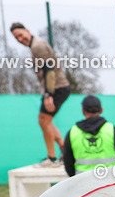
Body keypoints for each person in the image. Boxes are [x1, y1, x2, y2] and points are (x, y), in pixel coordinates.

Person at [10, 22, 71, 168]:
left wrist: (49, 94)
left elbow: (49, 70)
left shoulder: (38, 46)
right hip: (55, 88)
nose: (19, 39)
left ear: (27, 30)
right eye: (16, 37)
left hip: (57, 88)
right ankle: (65, 152)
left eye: (20, 35)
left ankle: (51, 158)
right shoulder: (35, 46)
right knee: (45, 121)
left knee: (44, 121)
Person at [62, 95, 115, 176]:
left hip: (83, 184)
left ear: (83, 110)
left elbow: (68, 164)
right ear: (101, 110)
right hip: (111, 183)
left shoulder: (72, 133)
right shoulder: (113, 131)